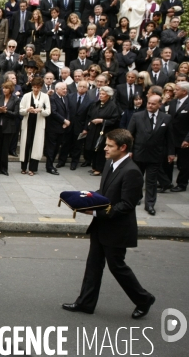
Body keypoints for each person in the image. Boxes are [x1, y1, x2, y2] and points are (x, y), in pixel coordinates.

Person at [62, 129, 156, 319]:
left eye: (109, 146)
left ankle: (144, 299)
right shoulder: (109, 163)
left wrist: (96, 211)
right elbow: (104, 192)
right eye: (106, 144)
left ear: (122, 148)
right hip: (101, 225)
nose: (105, 148)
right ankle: (85, 303)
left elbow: (127, 205)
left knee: (117, 267)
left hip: (117, 229)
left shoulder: (132, 172)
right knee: (93, 264)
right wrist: (85, 199)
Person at [128, 95, 175, 215]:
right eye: (148, 103)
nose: (150, 105)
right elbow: (129, 135)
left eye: (153, 104)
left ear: (160, 105)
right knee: (138, 177)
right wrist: (129, 150)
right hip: (139, 153)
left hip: (156, 154)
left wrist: (171, 153)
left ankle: (150, 204)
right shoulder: (137, 116)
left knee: (151, 180)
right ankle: (137, 197)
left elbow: (170, 137)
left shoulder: (166, 118)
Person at [84, 86, 120, 176]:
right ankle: (94, 166)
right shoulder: (96, 104)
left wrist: (102, 121)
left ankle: (99, 168)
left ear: (108, 95)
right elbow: (90, 115)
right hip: (94, 130)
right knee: (94, 148)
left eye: (103, 94)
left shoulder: (112, 106)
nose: (101, 95)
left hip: (104, 131)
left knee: (101, 149)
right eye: (100, 93)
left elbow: (115, 120)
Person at [19, 77, 51, 176]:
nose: (35, 89)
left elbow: (48, 111)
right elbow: (20, 110)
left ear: (41, 87)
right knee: (26, 144)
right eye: (34, 87)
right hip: (28, 123)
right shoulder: (26, 96)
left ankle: (32, 168)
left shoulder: (45, 96)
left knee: (36, 145)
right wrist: (27, 110)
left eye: (37, 87)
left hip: (38, 123)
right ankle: (23, 167)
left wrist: (40, 110)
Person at [0, 81, 20, 176]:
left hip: (9, 127)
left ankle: (4, 168)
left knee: (5, 148)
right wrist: (0, 111)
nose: (4, 90)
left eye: (6, 88)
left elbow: (16, 114)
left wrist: (6, 111)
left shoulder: (15, 99)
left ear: (10, 89)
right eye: (3, 88)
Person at [167, 82, 189, 192]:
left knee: (184, 163)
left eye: (177, 89)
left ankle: (182, 183)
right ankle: (166, 182)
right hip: (171, 137)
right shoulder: (173, 102)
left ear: (184, 91)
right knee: (168, 160)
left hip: (184, 138)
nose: (174, 91)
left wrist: (187, 139)